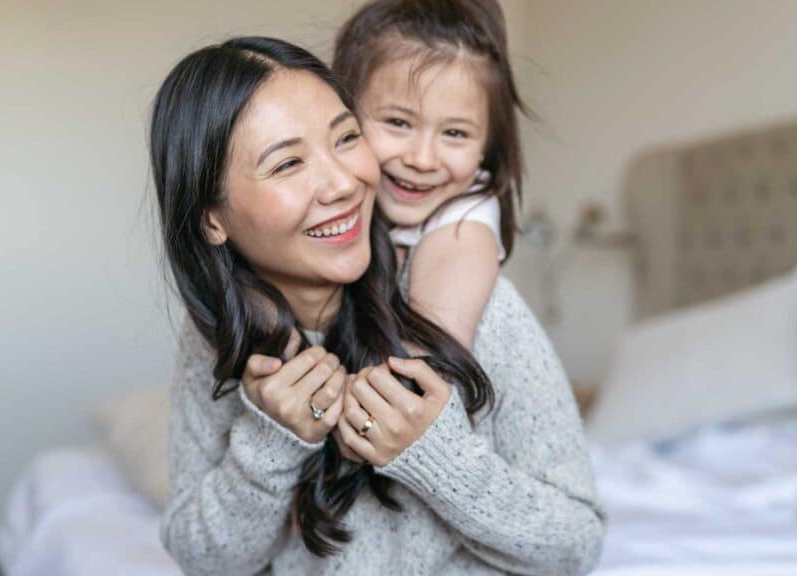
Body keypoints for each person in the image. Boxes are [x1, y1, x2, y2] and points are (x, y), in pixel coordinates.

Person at [152, 36, 603, 576]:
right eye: (288, 163)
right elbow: (205, 563)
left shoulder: (479, 306)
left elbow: (576, 548)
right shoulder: (219, 340)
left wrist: (438, 458)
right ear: (211, 219)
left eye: (346, 138)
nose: (344, 183)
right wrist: (270, 441)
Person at [333, 0, 527, 348]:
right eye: (398, 122)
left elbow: (424, 370)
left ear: (487, 145)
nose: (422, 160)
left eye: (454, 133)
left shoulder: (465, 229)